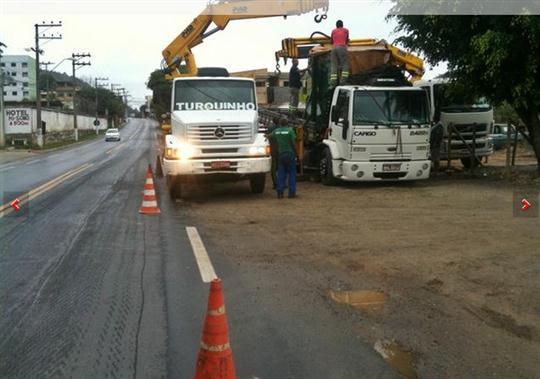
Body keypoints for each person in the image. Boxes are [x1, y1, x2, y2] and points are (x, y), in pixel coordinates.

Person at [271, 117, 297, 199]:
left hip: (281, 155)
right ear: (287, 123)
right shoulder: (290, 131)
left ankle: (280, 192)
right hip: (289, 154)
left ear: (280, 124)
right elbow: (293, 143)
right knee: (292, 173)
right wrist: (295, 153)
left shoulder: (276, 131)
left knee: (281, 174)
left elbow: (269, 136)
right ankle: (291, 193)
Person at [330, 20, 350, 86]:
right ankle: (343, 81)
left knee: (334, 65)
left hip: (333, 48)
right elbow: (347, 40)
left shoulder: (333, 31)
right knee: (345, 64)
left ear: (336, 26)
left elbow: (331, 41)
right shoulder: (346, 30)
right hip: (342, 47)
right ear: (342, 25)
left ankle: (333, 82)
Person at [266, 116, 281, 189]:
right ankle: (282, 183)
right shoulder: (282, 129)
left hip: (273, 149)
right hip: (281, 150)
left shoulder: (270, 129)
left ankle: (275, 184)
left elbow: (267, 137)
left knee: (273, 168)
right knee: (281, 167)